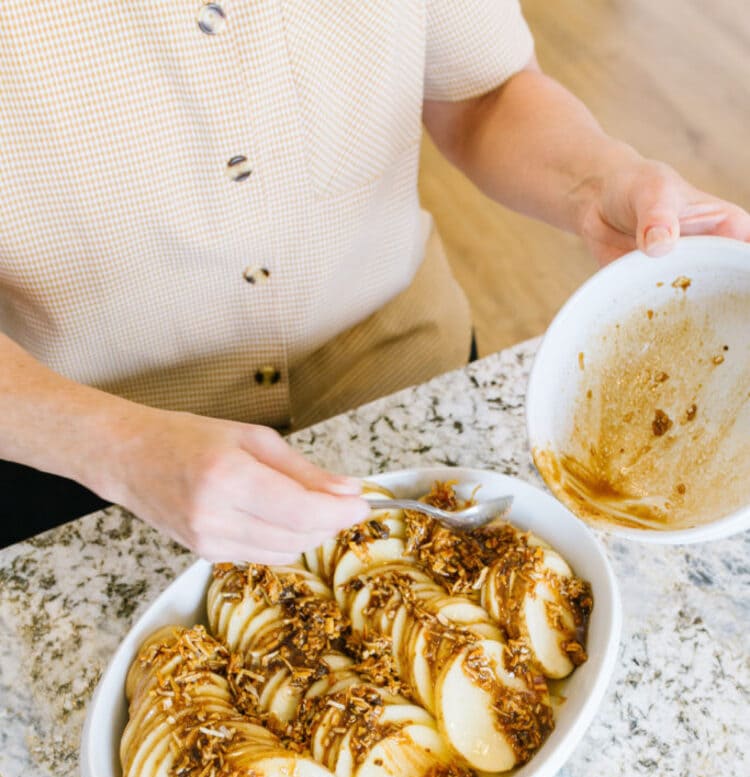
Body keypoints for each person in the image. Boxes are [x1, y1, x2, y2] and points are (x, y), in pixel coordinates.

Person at [1, 1, 748, 558]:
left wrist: (600, 183)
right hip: (82, 458)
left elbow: (484, 91)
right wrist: (117, 448)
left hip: (406, 378)